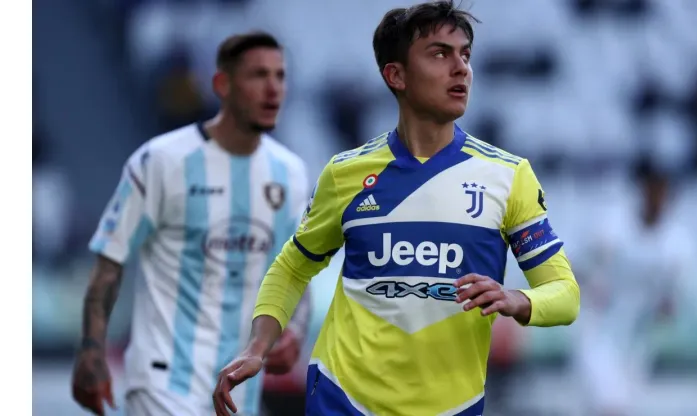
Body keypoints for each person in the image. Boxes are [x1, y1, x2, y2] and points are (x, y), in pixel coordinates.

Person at [213, 2, 580, 415]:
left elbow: (566, 296)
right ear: (396, 75)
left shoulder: (509, 176)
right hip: (343, 396)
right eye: (440, 54)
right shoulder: (346, 173)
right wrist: (257, 347)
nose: (460, 68)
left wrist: (517, 300)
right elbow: (294, 266)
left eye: (465, 55)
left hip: (450, 405)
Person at [71, 32, 312, 416]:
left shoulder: (292, 174)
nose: (273, 89)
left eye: (280, 76)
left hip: (239, 392)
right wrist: (91, 349)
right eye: (258, 75)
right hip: (162, 384)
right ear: (222, 85)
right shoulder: (161, 161)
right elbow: (109, 265)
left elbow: (296, 270)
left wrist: (294, 331)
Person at [572, 160, 695, 416]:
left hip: (638, 342)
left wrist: (661, 309)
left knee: (622, 407)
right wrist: (589, 285)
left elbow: (670, 304)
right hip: (598, 330)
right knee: (609, 405)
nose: (657, 198)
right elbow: (575, 267)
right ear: (642, 191)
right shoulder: (611, 229)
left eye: (663, 192)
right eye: (652, 190)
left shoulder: (677, 246)